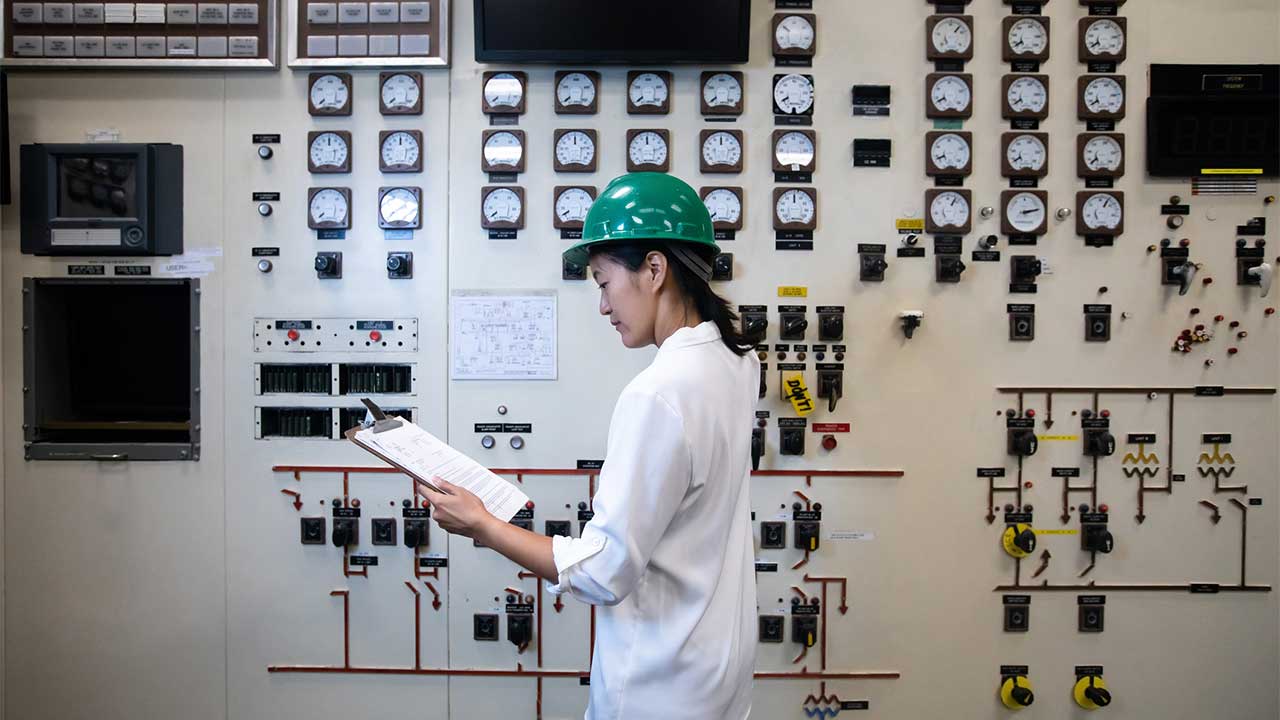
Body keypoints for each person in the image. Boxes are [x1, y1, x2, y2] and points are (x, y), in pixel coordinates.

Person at [416, 173, 762, 720]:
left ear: (654, 269)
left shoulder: (657, 393)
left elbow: (604, 572)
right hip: (719, 675)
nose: (603, 306)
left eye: (604, 283)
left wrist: (482, 524)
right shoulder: (739, 362)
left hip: (656, 688)